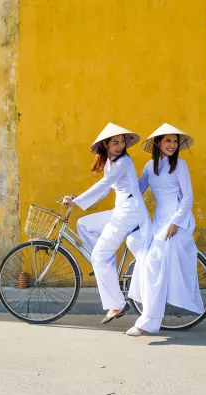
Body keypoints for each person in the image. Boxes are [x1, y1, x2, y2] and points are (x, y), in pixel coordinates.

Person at [63, 123, 152, 325]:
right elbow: (105, 189)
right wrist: (81, 200)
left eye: (121, 142)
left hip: (129, 213)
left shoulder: (123, 162)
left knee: (100, 256)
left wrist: (76, 202)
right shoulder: (111, 163)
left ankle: (117, 304)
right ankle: (103, 264)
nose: (120, 146)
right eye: (115, 143)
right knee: (85, 224)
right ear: (106, 145)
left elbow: (102, 185)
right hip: (121, 210)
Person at [126, 123, 204, 336]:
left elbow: (188, 196)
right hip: (158, 221)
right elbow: (137, 190)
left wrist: (176, 222)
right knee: (134, 242)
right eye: (167, 140)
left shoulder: (180, 165)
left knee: (153, 261)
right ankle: (151, 293)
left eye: (175, 141)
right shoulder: (149, 167)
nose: (172, 144)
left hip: (178, 220)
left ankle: (148, 322)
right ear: (158, 143)